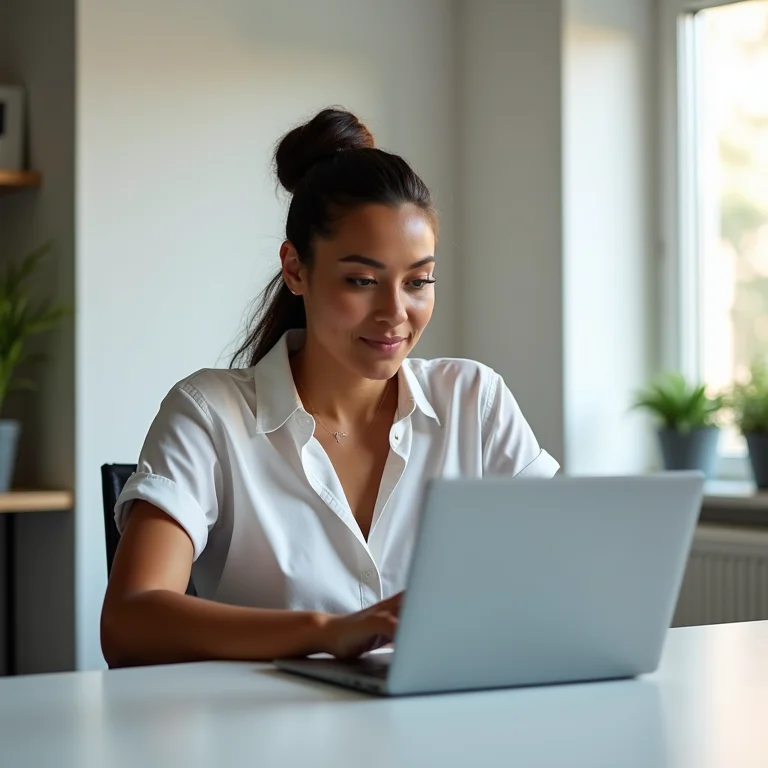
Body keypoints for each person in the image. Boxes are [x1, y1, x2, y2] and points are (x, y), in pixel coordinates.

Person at [100, 107, 559, 668]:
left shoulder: (474, 400)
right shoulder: (210, 414)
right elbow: (131, 620)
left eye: (418, 281)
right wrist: (327, 631)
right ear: (296, 269)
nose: (396, 313)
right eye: (362, 281)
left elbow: (565, 577)